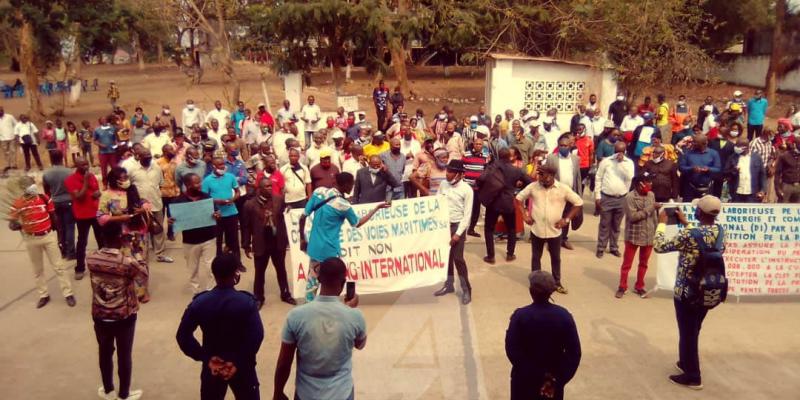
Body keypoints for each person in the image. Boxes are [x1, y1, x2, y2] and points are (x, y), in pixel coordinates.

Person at [654, 195, 725, 390]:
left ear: (699, 212)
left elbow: (659, 246)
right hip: (707, 289)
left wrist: (661, 224)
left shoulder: (690, 234)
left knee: (688, 333)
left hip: (686, 292)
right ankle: (685, 361)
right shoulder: (720, 231)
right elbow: (702, 240)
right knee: (693, 328)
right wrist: (686, 224)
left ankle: (693, 376)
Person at [273, 257, 365, 400]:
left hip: (306, 394)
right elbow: (360, 344)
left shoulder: (295, 316)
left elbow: (284, 363)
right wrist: (348, 310)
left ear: (319, 279)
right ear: (343, 283)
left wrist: (278, 392)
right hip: (342, 393)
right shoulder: (355, 316)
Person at [176, 253, 264, 400]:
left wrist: (205, 357)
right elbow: (256, 336)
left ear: (214, 274)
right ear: (235, 274)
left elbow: (183, 336)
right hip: (242, 367)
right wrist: (236, 362)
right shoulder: (246, 302)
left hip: (212, 367)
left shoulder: (200, 303)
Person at [299, 173, 388, 300]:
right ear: (345, 184)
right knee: (332, 284)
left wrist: (302, 239)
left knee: (312, 285)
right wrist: (376, 209)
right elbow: (357, 223)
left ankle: (309, 311)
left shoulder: (319, 192)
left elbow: (302, 217)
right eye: (351, 183)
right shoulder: (343, 205)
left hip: (314, 248)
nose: (352, 186)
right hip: (330, 252)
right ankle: (330, 308)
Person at [87, 222, 147, 400]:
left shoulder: (91, 258)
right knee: (124, 355)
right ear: (121, 238)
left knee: (104, 353)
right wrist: (135, 250)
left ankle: (108, 390)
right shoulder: (127, 262)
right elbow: (143, 274)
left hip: (100, 315)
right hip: (124, 316)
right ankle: (124, 394)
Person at [505, 270, 581, 400]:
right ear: (551, 292)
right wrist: (557, 379)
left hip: (523, 381)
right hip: (551, 383)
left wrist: (530, 373)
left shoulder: (520, 316)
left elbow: (512, 349)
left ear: (531, 291)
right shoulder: (564, 316)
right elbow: (574, 353)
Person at [8, 176, 76, 308]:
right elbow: (12, 223)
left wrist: (60, 238)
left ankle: (68, 293)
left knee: (59, 267)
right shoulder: (18, 204)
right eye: (29, 185)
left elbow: (54, 217)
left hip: (48, 236)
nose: (33, 186)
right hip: (31, 239)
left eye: (33, 183)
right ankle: (43, 295)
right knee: (37, 270)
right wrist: (15, 225)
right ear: (23, 188)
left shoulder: (44, 198)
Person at [516, 165, 583, 294]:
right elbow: (518, 199)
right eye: (539, 174)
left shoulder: (563, 189)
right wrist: (525, 215)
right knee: (536, 257)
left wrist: (566, 220)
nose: (539, 177)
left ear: (551, 176)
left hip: (555, 231)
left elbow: (578, 203)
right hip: (537, 230)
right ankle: (535, 283)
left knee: (556, 258)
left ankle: (557, 283)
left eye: (542, 175)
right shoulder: (533, 186)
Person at [241, 178, 295, 307]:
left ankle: (285, 293)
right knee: (259, 272)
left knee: (281, 269)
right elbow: (246, 227)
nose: (270, 188)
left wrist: (289, 209)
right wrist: (246, 245)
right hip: (261, 243)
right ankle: (258, 298)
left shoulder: (279, 200)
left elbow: (285, 216)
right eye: (267, 187)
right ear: (259, 189)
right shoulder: (249, 205)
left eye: (271, 186)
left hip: (277, 242)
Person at [478, 147, 533, 264]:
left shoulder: (492, 167)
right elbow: (530, 182)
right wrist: (520, 187)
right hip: (508, 202)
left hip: (493, 202)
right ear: (509, 157)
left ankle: (491, 256)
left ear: (498, 155)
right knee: (511, 229)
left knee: (489, 229)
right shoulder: (516, 170)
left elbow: (481, 178)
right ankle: (510, 254)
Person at [432, 160, 474, 304]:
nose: (447, 174)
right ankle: (448, 285)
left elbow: (467, 215)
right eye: (447, 171)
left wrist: (458, 234)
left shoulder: (467, 190)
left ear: (460, 174)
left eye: (451, 172)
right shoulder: (444, 185)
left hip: (457, 227)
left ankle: (466, 289)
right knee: (446, 258)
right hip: (444, 226)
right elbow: (437, 202)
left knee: (458, 259)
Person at [171, 174, 221, 293]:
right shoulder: (178, 202)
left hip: (209, 238)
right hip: (190, 241)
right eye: (196, 183)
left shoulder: (207, 198)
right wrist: (171, 221)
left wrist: (217, 215)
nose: (200, 185)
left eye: (200, 182)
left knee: (210, 267)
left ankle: (211, 291)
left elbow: (216, 214)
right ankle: (196, 293)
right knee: (192, 269)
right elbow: (173, 220)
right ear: (188, 185)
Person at [616, 173, 659, 298]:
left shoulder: (651, 195)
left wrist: (656, 231)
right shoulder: (630, 197)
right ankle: (622, 286)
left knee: (644, 263)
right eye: (647, 182)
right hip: (634, 236)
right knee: (627, 264)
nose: (650, 184)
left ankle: (639, 286)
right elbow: (633, 217)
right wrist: (650, 208)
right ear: (639, 184)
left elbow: (654, 216)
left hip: (649, 235)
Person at [129, 148, 173, 263]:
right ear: (139, 156)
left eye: (149, 155)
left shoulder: (157, 168)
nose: (148, 157)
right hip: (140, 207)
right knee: (141, 231)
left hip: (156, 203)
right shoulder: (132, 170)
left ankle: (160, 254)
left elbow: (160, 184)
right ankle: (141, 256)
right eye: (145, 155)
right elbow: (129, 188)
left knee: (158, 229)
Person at [594, 141, 635, 258]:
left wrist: (621, 164)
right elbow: (598, 178)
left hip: (621, 198)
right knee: (604, 224)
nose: (619, 154)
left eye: (621, 151)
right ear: (614, 151)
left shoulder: (629, 163)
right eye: (617, 151)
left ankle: (613, 247)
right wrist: (597, 196)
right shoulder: (606, 162)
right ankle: (601, 247)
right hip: (606, 197)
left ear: (625, 151)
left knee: (616, 225)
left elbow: (630, 178)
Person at [202, 157, 243, 270]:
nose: (222, 167)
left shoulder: (230, 177)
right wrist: (217, 201)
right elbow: (204, 198)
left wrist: (233, 199)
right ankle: (219, 265)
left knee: (234, 240)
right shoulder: (207, 180)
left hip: (231, 213)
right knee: (218, 241)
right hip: (217, 215)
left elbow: (237, 191)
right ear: (214, 167)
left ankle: (237, 263)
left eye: (223, 165)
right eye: (219, 165)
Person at [42, 150, 75, 260]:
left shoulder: (47, 173)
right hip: (69, 201)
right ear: (62, 157)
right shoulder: (69, 172)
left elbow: (46, 192)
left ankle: (63, 251)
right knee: (70, 227)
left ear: (51, 159)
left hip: (55, 202)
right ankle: (71, 253)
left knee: (59, 228)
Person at [680, 134, 721, 201]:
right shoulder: (688, 153)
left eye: (695, 142)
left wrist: (708, 169)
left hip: (707, 188)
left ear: (704, 143)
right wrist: (692, 169)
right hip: (690, 188)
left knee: (706, 208)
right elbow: (681, 167)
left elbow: (718, 169)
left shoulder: (713, 153)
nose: (692, 143)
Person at [725, 137, 767, 203]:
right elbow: (726, 173)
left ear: (746, 147)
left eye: (738, 146)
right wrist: (733, 170)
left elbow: (762, 175)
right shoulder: (732, 157)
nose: (736, 148)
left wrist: (762, 190)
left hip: (752, 194)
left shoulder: (757, 157)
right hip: (736, 193)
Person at [463, 137, 489, 237]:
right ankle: (462, 231)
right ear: (473, 145)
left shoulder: (486, 156)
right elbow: (462, 167)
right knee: (465, 208)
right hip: (467, 186)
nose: (478, 146)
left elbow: (486, 170)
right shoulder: (466, 154)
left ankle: (471, 229)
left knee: (476, 209)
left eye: (480, 144)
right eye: (476, 144)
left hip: (478, 188)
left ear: (482, 146)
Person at [158, 144, 181, 241]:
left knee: (172, 215)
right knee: (161, 215)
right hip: (161, 193)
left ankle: (170, 233)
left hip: (173, 192)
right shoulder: (158, 163)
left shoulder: (175, 162)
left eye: (172, 149)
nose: (173, 151)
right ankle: (159, 234)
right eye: (170, 149)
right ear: (164, 152)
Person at [94, 116, 118, 188]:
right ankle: (105, 184)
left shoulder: (112, 128)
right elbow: (94, 140)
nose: (104, 120)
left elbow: (115, 138)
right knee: (104, 169)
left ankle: (115, 183)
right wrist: (100, 144)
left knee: (114, 168)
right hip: (103, 153)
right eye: (102, 120)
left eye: (105, 119)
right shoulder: (97, 130)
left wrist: (116, 143)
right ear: (100, 122)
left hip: (112, 152)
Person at [775, 136, 800, 203]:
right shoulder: (784, 156)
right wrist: (777, 189)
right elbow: (777, 173)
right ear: (794, 144)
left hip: (798, 186)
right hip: (786, 186)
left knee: (796, 210)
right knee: (782, 208)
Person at [0, 106, 18, 173]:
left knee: (12, 151)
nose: (0, 112)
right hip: (2, 139)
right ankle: (7, 165)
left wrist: (16, 134)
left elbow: (16, 125)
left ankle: (13, 165)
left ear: (3, 111)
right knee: (5, 152)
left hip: (11, 137)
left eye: (1, 110)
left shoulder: (9, 117)